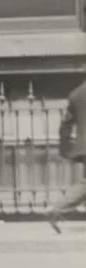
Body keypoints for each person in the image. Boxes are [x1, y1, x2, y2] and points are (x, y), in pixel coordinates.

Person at [46, 76, 86, 233]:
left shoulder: (76, 94)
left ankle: (57, 210)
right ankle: (57, 210)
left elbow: (66, 124)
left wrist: (65, 147)